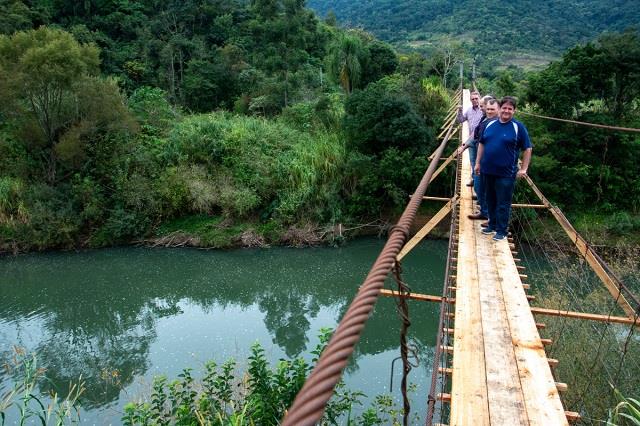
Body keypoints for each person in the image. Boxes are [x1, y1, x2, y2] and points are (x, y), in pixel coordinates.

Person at [474, 96, 532, 241]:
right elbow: (481, 144)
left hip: (506, 173)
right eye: (504, 108)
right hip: (487, 170)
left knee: (503, 203)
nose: (506, 111)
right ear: (499, 109)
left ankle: (501, 230)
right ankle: (492, 225)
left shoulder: (518, 127)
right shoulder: (489, 124)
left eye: (510, 109)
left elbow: (528, 148)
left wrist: (524, 168)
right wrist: (477, 163)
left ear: (514, 111)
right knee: (490, 200)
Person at [468, 97, 499, 220]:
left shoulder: (496, 123)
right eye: (486, 108)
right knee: (480, 186)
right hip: (481, 159)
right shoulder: (485, 119)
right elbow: (479, 139)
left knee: (484, 187)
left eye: (491, 109)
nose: (485, 109)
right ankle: (485, 211)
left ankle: (488, 215)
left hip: (488, 161)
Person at [457, 91, 483, 186]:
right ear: (470, 100)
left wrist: (464, 146)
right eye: (473, 99)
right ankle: (475, 180)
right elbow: (461, 120)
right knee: (473, 161)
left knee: (480, 162)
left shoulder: (484, 110)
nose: (475, 100)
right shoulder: (469, 110)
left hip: (481, 142)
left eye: (476, 98)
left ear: (479, 98)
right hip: (471, 141)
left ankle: (479, 183)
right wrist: (459, 111)